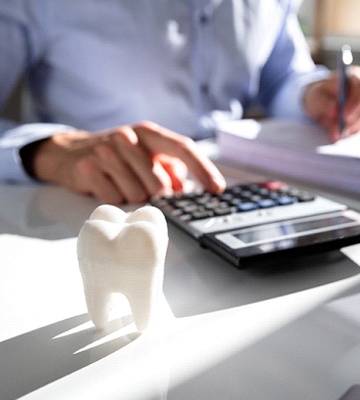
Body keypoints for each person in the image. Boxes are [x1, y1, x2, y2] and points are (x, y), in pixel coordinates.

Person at [1, 0, 360, 205]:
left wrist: (315, 95)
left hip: (241, 192)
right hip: (94, 202)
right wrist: (49, 151)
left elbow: (280, 78)